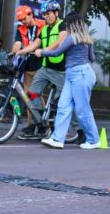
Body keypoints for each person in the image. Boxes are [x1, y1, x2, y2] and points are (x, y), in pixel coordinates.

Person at [37, 12, 101, 149]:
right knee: (63, 106)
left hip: (80, 74)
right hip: (75, 73)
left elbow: (56, 52)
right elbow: (92, 58)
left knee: (82, 109)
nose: (65, 27)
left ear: (71, 24)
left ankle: (94, 140)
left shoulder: (72, 37)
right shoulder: (86, 38)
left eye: (66, 24)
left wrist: (41, 52)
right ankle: (57, 139)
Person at [15, 0, 71, 140]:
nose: (46, 16)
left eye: (49, 13)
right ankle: (38, 125)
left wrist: (46, 50)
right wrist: (20, 52)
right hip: (45, 69)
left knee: (64, 101)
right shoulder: (45, 29)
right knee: (31, 94)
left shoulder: (62, 25)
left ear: (56, 13)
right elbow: (35, 44)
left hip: (61, 71)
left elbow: (60, 41)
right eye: (44, 14)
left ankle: (80, 131)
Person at [11, 5, 45, 128]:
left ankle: (41, 123)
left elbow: (39, 43)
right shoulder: (21, 29)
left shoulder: (43, 24)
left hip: (41, 66)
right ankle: (32, 125)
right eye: (21, 20)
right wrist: (14, 51)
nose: (23, 22)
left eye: (24, 18)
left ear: (30, 14)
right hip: (28, 68)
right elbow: (17, 43)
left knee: (36, 95)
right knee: (27, 97)